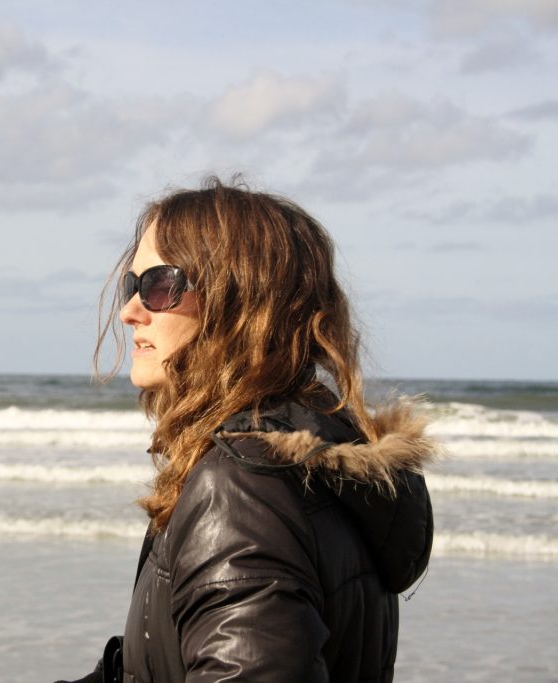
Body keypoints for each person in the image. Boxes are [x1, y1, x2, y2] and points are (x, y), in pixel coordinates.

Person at [59, 177, 435, 683]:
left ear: (241, 301)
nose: (130, 311)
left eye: (159, 285)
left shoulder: (240, 490)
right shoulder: (311, 460)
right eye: (133, 285)